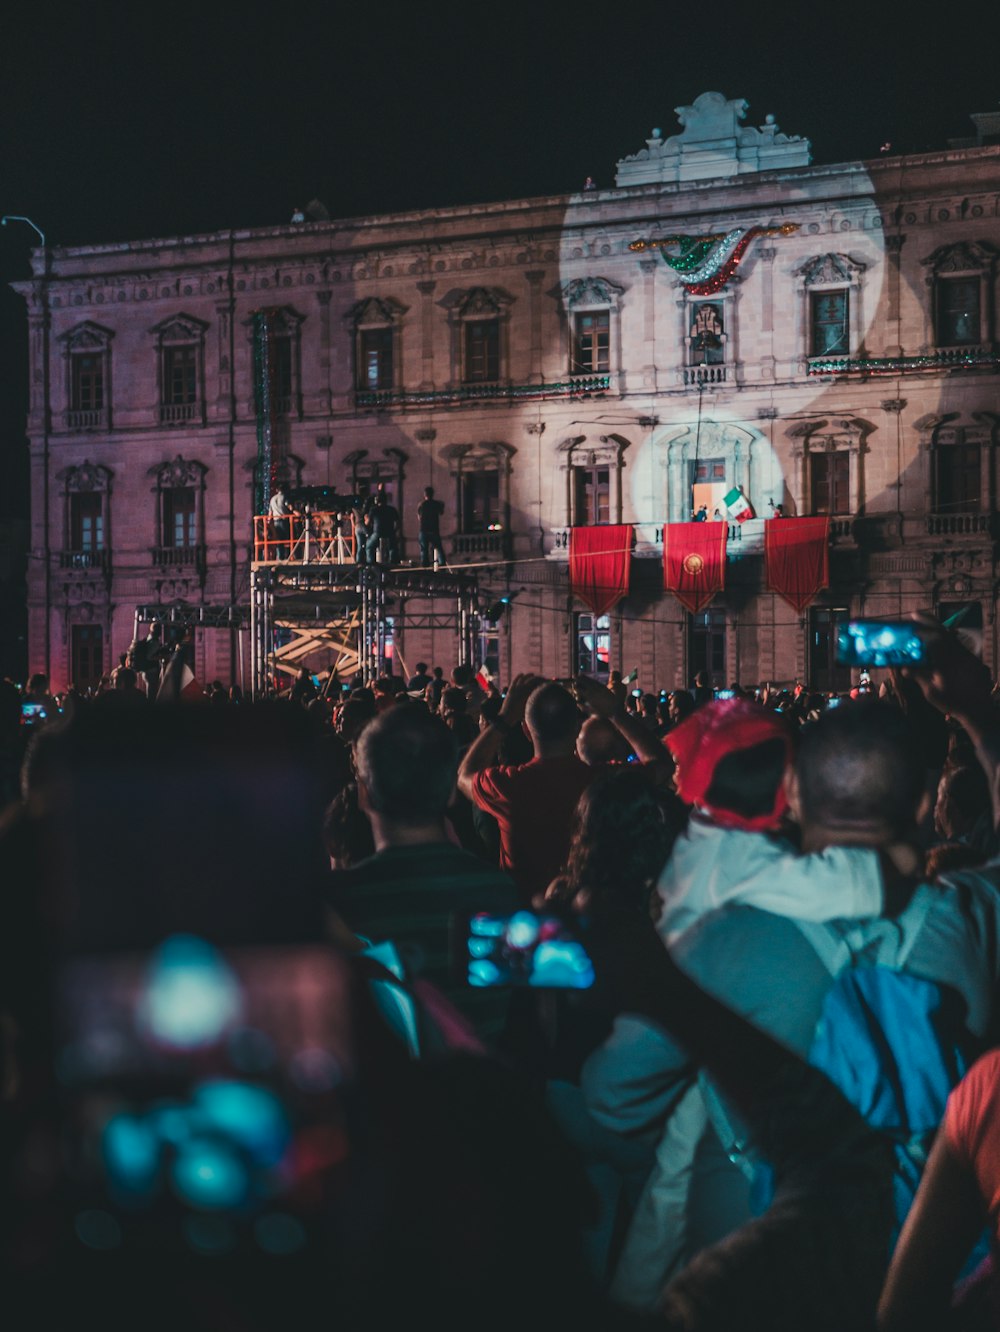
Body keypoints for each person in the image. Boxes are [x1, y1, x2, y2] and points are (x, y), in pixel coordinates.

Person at [326, 705, 519, 1038]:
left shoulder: (338, 903)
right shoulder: (500, 890)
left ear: (364, 793)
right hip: (480, 1084)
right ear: (448, 793)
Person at [458, 676, 596, 903]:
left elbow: (465, 775)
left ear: (526, 730)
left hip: (525, 916)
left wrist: (504, 718)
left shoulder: (507, 784)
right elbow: (660, 764)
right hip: (589, 914)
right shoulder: (601, 779)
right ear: (576, 727)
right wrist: (615, 712)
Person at [362, 491, 400, 566]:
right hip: (390, 533)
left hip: (377, 533)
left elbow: (367, 523)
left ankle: (371, 565)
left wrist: (366, 518)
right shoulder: (392, 509)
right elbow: (398, 524)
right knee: (393, 548)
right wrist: (394, 531)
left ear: (377, 500)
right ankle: (393, 564)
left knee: (369, 547)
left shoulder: (374, 509)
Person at [417, 486, 446, 568]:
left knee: (424, 550)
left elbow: (419, 517)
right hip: (434, 530)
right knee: (439, 548)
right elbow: (441, 512)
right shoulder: (436, 504)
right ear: (432, 494)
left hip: (424, 530)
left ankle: (424, 566)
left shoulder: (421, 505)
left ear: (424, 494)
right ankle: (442, 565)